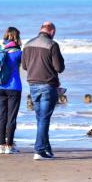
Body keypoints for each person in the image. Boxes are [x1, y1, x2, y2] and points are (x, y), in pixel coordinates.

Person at [22, 22, 65, 160]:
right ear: (52, 31)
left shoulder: (28, 44)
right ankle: (39, 150)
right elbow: (59, 67)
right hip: (48, 84)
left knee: (41, 118)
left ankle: (46, 148)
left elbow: (24, 66)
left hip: (33, 84)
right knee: (44, 119)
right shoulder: (52, 45)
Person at [0, 27, 22, 154]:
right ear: (16, 37)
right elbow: (26, 66)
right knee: (12, 117)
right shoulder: (17, 52)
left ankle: (1, 146)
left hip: (0, 86)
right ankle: (10, 146)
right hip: (14, 87)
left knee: (2, 116)